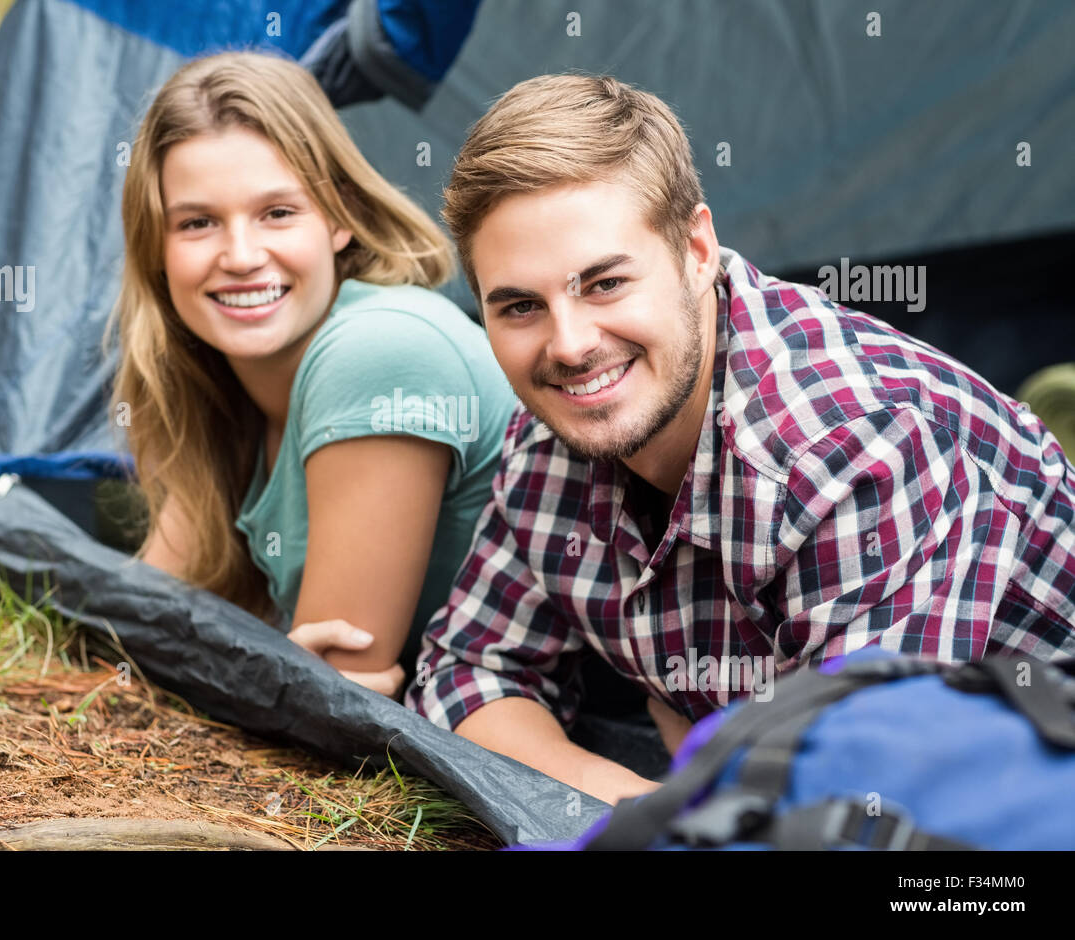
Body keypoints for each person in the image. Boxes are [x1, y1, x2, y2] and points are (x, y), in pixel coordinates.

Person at [403, 72, 1075, 805]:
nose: (568, 346)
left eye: (604, 284)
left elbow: (852, 797)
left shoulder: (851, 446)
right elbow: (466, 671)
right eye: (521, 306)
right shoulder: (552, 440)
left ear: (696, 250)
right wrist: (622, 800)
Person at [105, 51, 515, 696]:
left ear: (339, 216)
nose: (240, 256)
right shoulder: (221, 389)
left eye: (277, 212)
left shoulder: (381, 351)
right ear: (155, 246)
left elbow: (342, 693)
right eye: (198, 222)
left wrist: (259, 671)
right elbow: (139, 630)